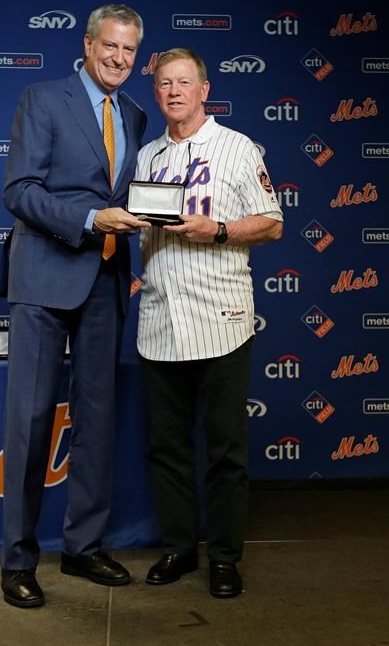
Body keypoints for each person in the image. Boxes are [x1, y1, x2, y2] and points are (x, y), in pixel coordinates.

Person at [0, 4, 149, 608]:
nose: (118, 59)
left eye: (129, 52)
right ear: (88, 44)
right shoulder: (43, 97)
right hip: (43, 277)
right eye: (109, 47)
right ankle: (17, 561)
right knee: (31, 423)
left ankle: (82, 549)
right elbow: (19, 190)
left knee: (97, 424)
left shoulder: (136, 114)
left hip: (107, 282)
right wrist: (89, 218)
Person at [134, 48, 283, 598]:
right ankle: (178, 546)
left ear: (204, 89)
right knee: (167, 447)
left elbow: (272, 223)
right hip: (158, 322)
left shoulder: (238, 147)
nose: (174, 91)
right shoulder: (146, 156)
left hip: (221, 320)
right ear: (157, 92)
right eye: (164, 83)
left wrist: (218, 229)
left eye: (184, 82)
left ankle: (224, 556)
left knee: (224, 449)